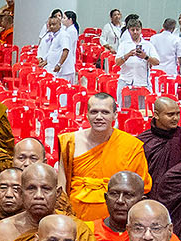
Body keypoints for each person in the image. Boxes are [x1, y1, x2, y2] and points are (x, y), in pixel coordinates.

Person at [58, 94, 151, 223]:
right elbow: (61, 187)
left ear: (115, 115)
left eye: (105, 112)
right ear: (87, 115)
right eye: (94, 112)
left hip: (116, 224)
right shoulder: (69, 142)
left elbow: (140, 188)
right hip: (74, 219)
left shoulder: (131, 145)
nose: (99, 117)